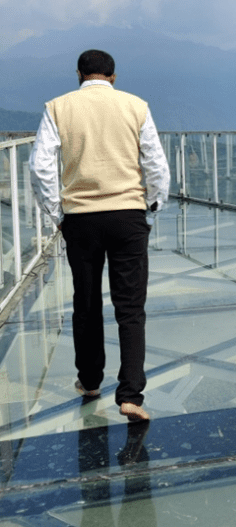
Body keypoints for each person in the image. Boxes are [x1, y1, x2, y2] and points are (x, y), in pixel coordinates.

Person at [29, 49, 170, 422]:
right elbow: (155, 163)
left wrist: (57, 213)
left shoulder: (58, 107)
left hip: (81, 219)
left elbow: (40, 166)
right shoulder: (136, 106)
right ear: (113, 76)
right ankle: (131, 395)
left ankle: (90, 381)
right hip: (128, 215)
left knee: (87, 303)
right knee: (130, 308)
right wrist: (152, 207)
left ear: (78, 74)